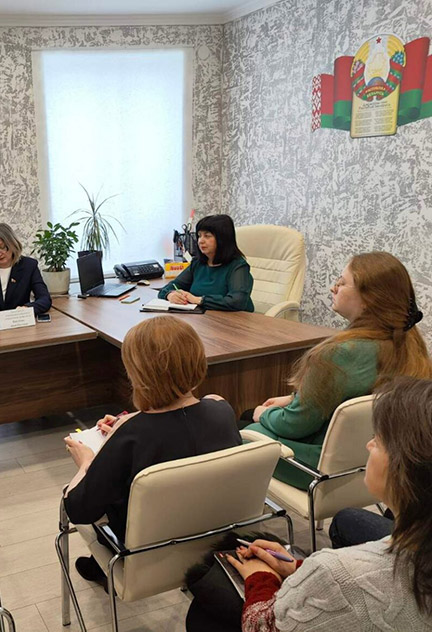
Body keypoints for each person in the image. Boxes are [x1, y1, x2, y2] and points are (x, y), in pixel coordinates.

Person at [227, 376, 432, 631]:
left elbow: (260, 626)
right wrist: (299, 569)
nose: (368, 444)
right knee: (347, 519)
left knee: (209, 605)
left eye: (378, 440)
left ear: (405, 471)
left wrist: (260, 577)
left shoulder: (335, 573)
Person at [63, 316, 241, 586]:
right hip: (218, 540)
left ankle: (103, 567)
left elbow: (79, 510)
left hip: (147, 556)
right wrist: (130, 421)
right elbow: (179, 425)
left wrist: (87, 462)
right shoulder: (222, 412)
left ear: (137, 373)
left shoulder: (130, 436)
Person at [242, 251, 432, 489]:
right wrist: (293, 398)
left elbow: (295, 424)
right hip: (377, 466)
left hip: (319, 471)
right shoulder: (410, 346)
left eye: (342, 283)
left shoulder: (337, 354)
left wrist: (262, 414)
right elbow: (355, 393)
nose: (333, 288)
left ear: (369, 299)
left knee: (244, 430)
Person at [158, 214, 254, 311]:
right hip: (202, 317)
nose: (200, 241)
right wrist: (170, 295)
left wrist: (198, 300)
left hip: (234, 319)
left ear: (222, 239)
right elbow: (170, 287)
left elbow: (237, 302)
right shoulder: (198, 263)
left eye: (207, 236)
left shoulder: (238, 266)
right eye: (199, 236)